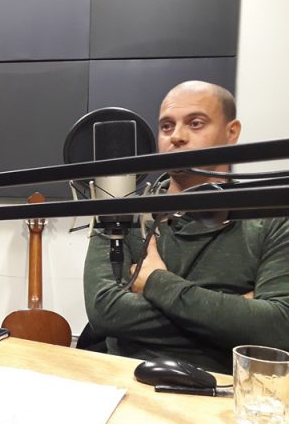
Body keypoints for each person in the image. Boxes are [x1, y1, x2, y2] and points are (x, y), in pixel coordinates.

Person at [84, 80, 289, 373]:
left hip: (222, 388)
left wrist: (155, 281)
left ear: (231, 132)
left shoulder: (271, 217)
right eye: (167, 127)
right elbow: (104, 311)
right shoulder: (121, 210)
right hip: (125, 378)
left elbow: (278, 328)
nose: (177, 137)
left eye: (195, 123)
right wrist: (229, 313)